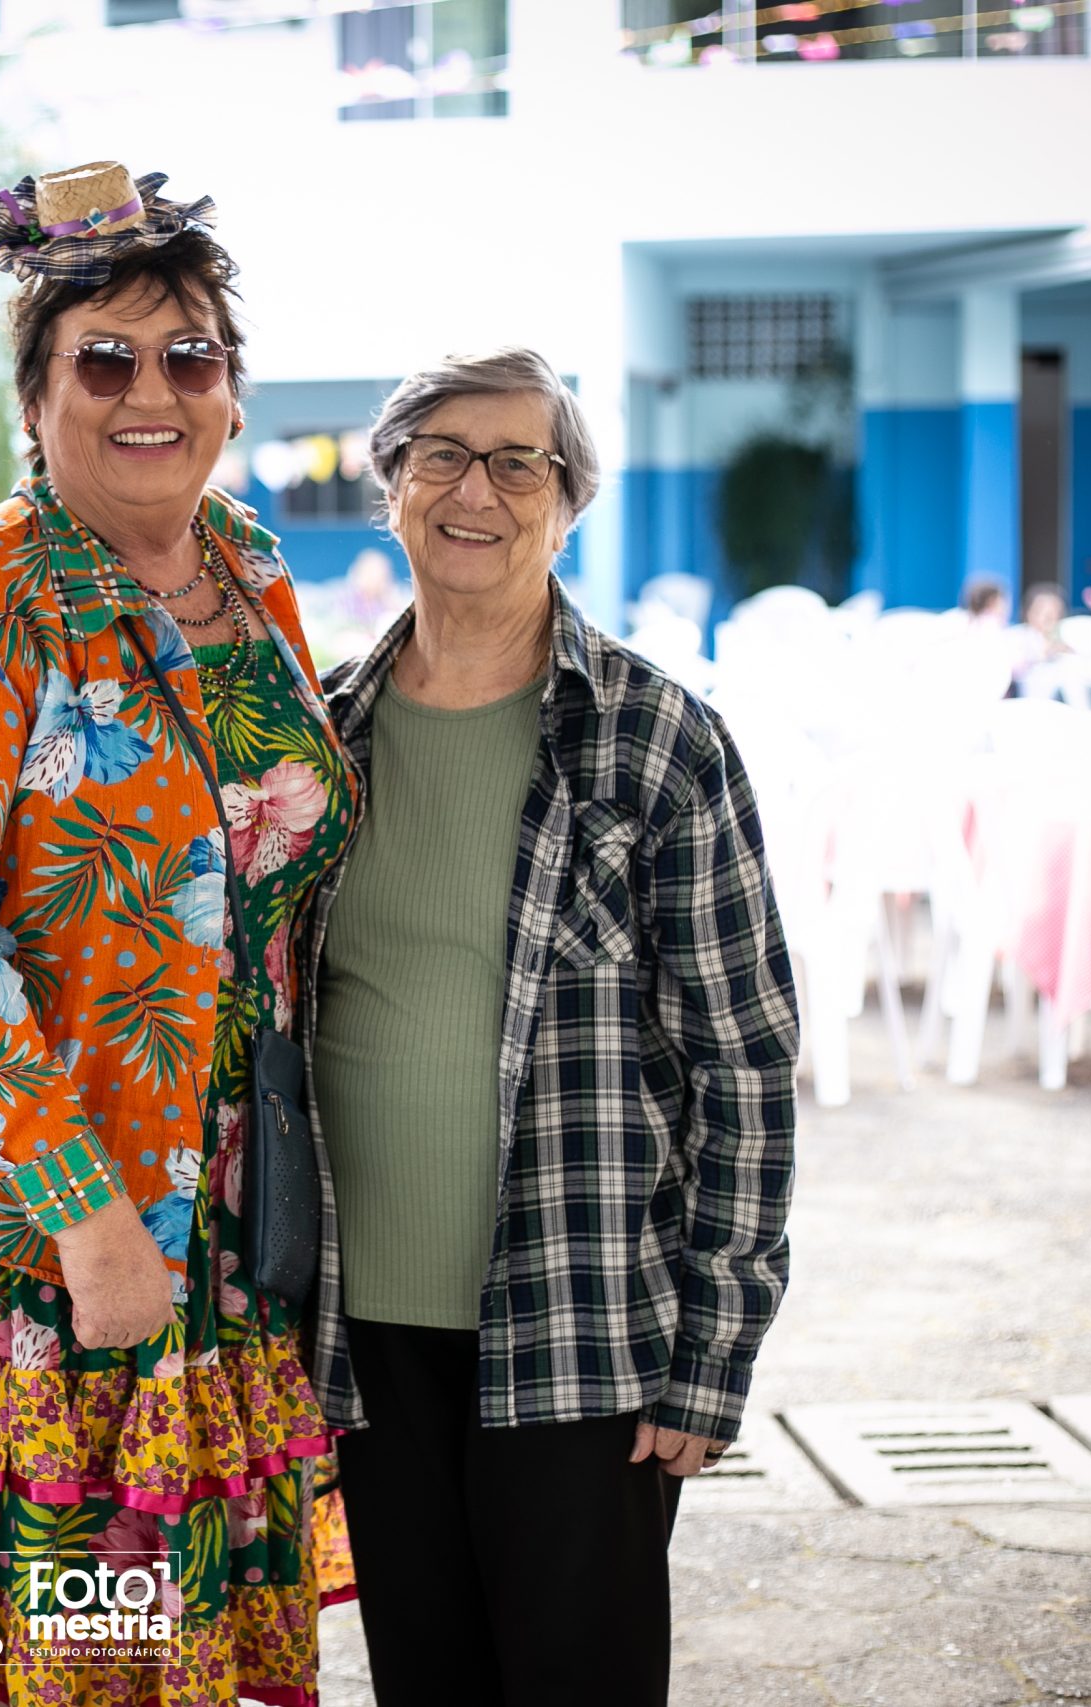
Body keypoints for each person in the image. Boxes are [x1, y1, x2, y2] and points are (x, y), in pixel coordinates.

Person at [0, 162, 358, 1705]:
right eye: (102, 359)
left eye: (190, 356)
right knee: (61, 1663)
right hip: (40, 1254)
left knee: (164, 1656)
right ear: (35, 392)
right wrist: (86, 1212)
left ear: (235, 393)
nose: (152, 392)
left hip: (227, 1220)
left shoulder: (249, 566)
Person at [300, 346, 799, 1705]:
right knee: (426, 1679)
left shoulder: (655, 738)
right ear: (391, 486)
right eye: (442, 455)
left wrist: (716, 1348)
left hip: (580, 1325)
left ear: (569, 500)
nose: (479, 488)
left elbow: (744, 1062)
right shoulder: (318, 739)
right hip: (368, 1331)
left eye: (520, 460)